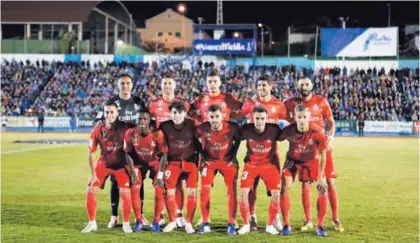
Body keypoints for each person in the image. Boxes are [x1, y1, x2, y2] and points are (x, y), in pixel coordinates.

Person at [284, 77, 344, 232]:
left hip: (322, 148)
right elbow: (277, 111)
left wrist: (330, 137)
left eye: (306, 84)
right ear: (298, 87)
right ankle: (308, 220)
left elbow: (331, 122)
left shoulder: (321, 101)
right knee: (305, 183)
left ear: (311, 86)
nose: (304, 86)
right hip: (305, 149)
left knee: (329, 182)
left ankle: (335, 219)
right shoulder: (291, 103)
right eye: (301, 84)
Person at [94, 74, 148, 228]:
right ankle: (114, 216)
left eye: (128, 83)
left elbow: (146, 118)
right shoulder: (112, 103)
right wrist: (99, 121)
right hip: (117, 148)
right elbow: (100, 119)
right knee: (115, 181)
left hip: (135, 146)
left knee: (138, 179)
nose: (125, 86)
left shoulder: (138, 101)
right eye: (122, 84)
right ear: (119, 86)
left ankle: (141, 215)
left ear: (132, 85)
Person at [236, 75, 286, 231]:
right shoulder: (251, 103)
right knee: (252, 188)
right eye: (258, 85)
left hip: (272, 155)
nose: (261, 88)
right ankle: (252, 217)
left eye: (264, 85)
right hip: (253, 154)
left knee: (276, 189)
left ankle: (276, 218)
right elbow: (237, 114)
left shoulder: (278, 105)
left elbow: (289, 122)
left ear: (271, 86)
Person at [81, 100, 132, 233]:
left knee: (125, 192)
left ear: (117, 113)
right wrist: (92, 175)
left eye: (112, 112)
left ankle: (126, 223)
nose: (109, 115)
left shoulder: (125, 127)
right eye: (107, 112)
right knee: (90, 188)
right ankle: (92, 223)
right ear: (103, 113)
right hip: (104, 163)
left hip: (121, 165)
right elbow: (91, 152)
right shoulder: (97, 128)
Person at [278, 104, 329, 237]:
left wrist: (321, 176)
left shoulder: (317, 131)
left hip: (312, 161)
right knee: (284, 186)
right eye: (299, 117)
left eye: (304, 117)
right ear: (295, 117)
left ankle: (320, 225)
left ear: (309, 117)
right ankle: (286, 225)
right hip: (293, 161)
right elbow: (274, 138)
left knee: (322, 189)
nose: (301, 120)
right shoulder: (288, 130)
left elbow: (323, 153)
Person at [148, 74, 192, 227]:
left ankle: (178, 214)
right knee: (158, 183)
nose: (167, 86)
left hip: (177, 150)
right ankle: (159, 215)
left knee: (179, 184)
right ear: (161, 86)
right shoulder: (154, 104)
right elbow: (147, 121)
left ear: (174, 86)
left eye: (169, 84)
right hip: (160, 151)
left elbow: (193, 120)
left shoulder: (183, 104)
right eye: (164, 83)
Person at [195, 104, 241, 235]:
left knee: (232, 191)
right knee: (205, 190)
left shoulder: (232, 127)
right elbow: (195, 141)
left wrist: (233, 156)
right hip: (209, 162)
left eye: (216, 116)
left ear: (222, 116)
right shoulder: (201, 129)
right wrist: (202, 156)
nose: (214, 120)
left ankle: (231, 223)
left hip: (227, 162)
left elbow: (237, 141)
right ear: (207, 117)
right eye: (211, 117)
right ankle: (205, 222)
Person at [237, 107, 282, 235]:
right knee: (243, 193)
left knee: (276, 194)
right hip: (251, 165)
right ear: (252, 118)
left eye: (262, 118)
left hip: (269, 165)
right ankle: (246, 224)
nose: (260, 121)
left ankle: (270, 225)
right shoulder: (246, 129)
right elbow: (232, 137)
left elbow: (290, 135)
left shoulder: (274, 130)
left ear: (267, 119)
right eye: (257, 118)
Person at [123, 109, 168, 233]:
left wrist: (160, 175)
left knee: (159, 189)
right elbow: (128, 154)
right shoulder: (130, 133)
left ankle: (156, 222)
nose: (142, 121)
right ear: (136, 120)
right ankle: (138, 221)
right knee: (135, 187)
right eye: (139, 119)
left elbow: (164, 155)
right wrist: (132, 173)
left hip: (155, 163)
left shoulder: (157, 133)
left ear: (149, 121)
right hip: (138, 164)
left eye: (145, 119)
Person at [159, 101, 201, 234]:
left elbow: (200, 144)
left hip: (190, 163)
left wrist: (201, 162)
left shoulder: (192, 124)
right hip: (173, 163)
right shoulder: (164, 126)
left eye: (180, 112)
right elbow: (163, 149)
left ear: (185, 113)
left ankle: (188, 222)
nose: (177, 115)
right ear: (170, 114)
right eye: (174, 113)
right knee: (169, 192)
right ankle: (172, 221)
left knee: (192, 192)